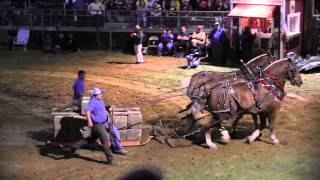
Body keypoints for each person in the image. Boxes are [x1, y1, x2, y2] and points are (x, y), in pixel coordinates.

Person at [64, 88, 127, 165]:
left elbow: (101, 110)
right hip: (97, 125)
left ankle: (72, 148)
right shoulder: (92, 102)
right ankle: (111, 160)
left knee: (89, 140)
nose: (101, 95)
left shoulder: (100, 100)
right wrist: (90, 121)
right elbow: (87, 111)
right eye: (100, 94)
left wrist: (109, 108)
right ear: (96, 95)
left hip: (102, 123)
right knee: (105, 142)